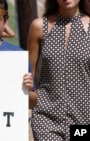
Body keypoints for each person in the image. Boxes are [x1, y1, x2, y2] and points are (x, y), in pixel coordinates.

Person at [27, 0, 90, 140]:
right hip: (46, 118)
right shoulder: (39, 26)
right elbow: (29, 72)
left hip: (84, 117)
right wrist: (33, 97)